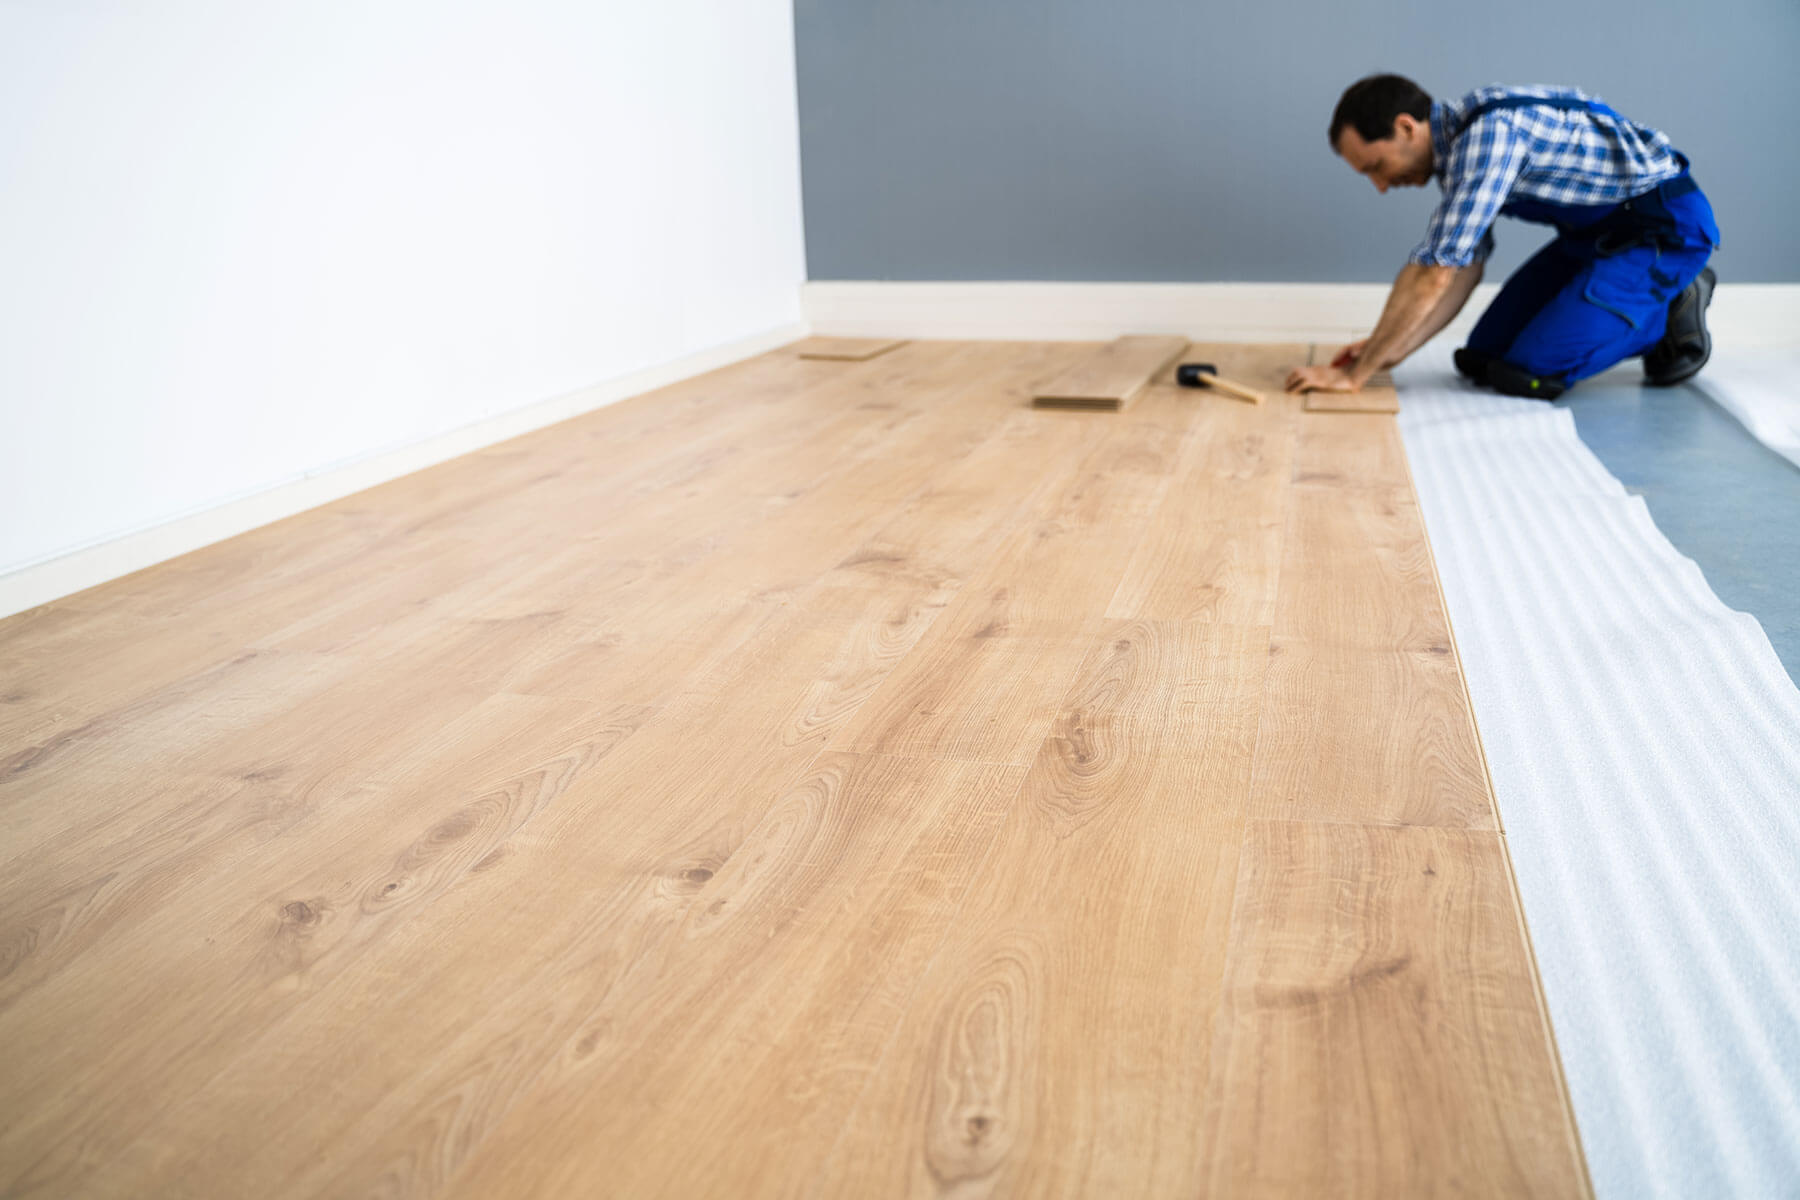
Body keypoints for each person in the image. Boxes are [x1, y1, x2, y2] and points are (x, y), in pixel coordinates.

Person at [1285, 75, 1719, 400]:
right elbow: (1462, 271)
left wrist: (1355, 374)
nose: (1380, 186)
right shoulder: (1457, 154)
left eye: (1375, 167)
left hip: (1661, 231)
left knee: (1530, 372)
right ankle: (1620, 296)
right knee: (1481, 359)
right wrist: (1390, 352)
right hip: (1592, 238)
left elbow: (1433, 274)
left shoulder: (1487, 138)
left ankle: (1670, 309)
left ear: (1405, 128)